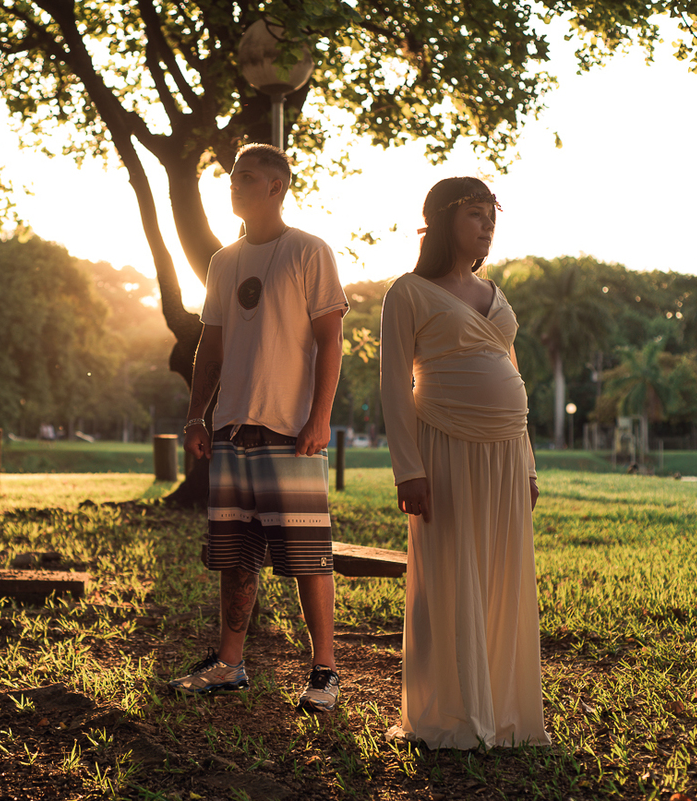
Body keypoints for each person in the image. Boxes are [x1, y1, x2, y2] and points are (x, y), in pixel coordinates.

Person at [168, 143, 349, 715]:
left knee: (306, 555)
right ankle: (229, 663)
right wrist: (198, 415)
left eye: (246, 177)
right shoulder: (224, 261)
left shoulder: (309, 251)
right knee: (234, 554)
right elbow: (211, 346)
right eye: (232, 178)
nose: (234, 185)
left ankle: (324, 671)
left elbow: (330, 340)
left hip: (289, 428)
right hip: (230, 429)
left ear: (276, 186)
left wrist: (320, 417)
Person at [379, 177, 550, 749]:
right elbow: (393, 387)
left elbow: (513, 374)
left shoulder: (493, 289)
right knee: (450, 573)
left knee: (500, 576)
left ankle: (501, 712)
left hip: (505, 451)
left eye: (491, 216)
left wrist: (527, 464)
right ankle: (447, 715)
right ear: (443, 220)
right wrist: (409, 469)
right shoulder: (407, 292)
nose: (486, 225)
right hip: (444, 446)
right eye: (475, 214)